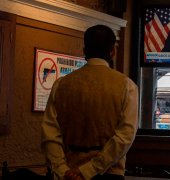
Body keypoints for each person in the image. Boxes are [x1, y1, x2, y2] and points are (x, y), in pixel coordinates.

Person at [41, 25, 138, 180]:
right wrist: (90, 169)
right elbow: (125, 137)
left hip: (69, 173)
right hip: (108, 173)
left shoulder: (61, 84)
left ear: (84, 51)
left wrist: (62, 169)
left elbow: (50, 133)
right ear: (112, 51)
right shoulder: (127, 86)